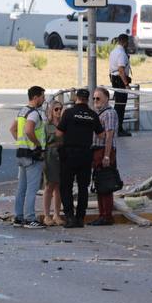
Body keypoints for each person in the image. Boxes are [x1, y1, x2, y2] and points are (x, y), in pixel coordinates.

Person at [58, 88, 103, 228]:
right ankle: (80, 218)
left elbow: (59, 133)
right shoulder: (92, 115)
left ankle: (70, 217)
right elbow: (101, 135)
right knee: (83, 187)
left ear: (76, 98)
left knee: (66, 186)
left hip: (69, 154)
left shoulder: (69, 113)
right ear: (88, 99)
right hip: (85, 155)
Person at [11, 85, 46, 229]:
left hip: (21, 152)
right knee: (32, 188)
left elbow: (13, 129)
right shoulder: (34, 114)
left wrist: (22, 142)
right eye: (43, 97)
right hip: (32, 154)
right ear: (36, 97)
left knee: (22, 188)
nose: (44, 99)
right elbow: (29, 130)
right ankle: (30, 218)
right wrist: (37, 145)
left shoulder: (22, 111)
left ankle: (18, 217)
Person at [90, 87, 119, 226]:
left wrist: (106, 156)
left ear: (106, 98)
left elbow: (109, 135)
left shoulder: (109, 113)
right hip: (97, 150)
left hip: (105, 151)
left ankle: (107, 216)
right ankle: (102, 215)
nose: (96, 101)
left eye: (98, 98)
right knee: (99, 183)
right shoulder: (99, 113)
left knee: (106, 183)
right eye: (94, 98)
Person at [42, 100, 65, 226]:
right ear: (51, 110)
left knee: (58, 186)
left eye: (60, 109)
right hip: (50, 155)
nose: (59, 111)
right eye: (56, 109)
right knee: (49, 185)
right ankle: (46, 215)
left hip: (61, 155)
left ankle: (57, 214)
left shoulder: (64, 123)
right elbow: (43, 143)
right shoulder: (46, 126)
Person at [109, 33, 132, 137]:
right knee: (121, 106)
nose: (128, 44)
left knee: (118, 105)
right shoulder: (121, 53)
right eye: (127, 42)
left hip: (115, 79)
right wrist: (126, 84)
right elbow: (121, 70)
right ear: (124, 41)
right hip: (120, 80)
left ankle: (118, 128)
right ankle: (119, 129)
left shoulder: (114, 52)